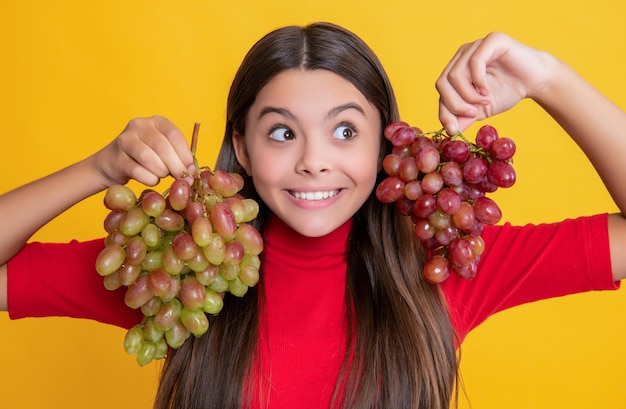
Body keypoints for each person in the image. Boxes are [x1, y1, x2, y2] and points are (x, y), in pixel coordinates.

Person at [0, 22, 625, 409]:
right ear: (241, 147)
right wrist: (100, 170)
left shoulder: (439, 265)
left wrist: (549, 78)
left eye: (345, 130)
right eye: (280, 134)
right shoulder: (181, 273)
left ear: (387, 142)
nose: (313, 162)